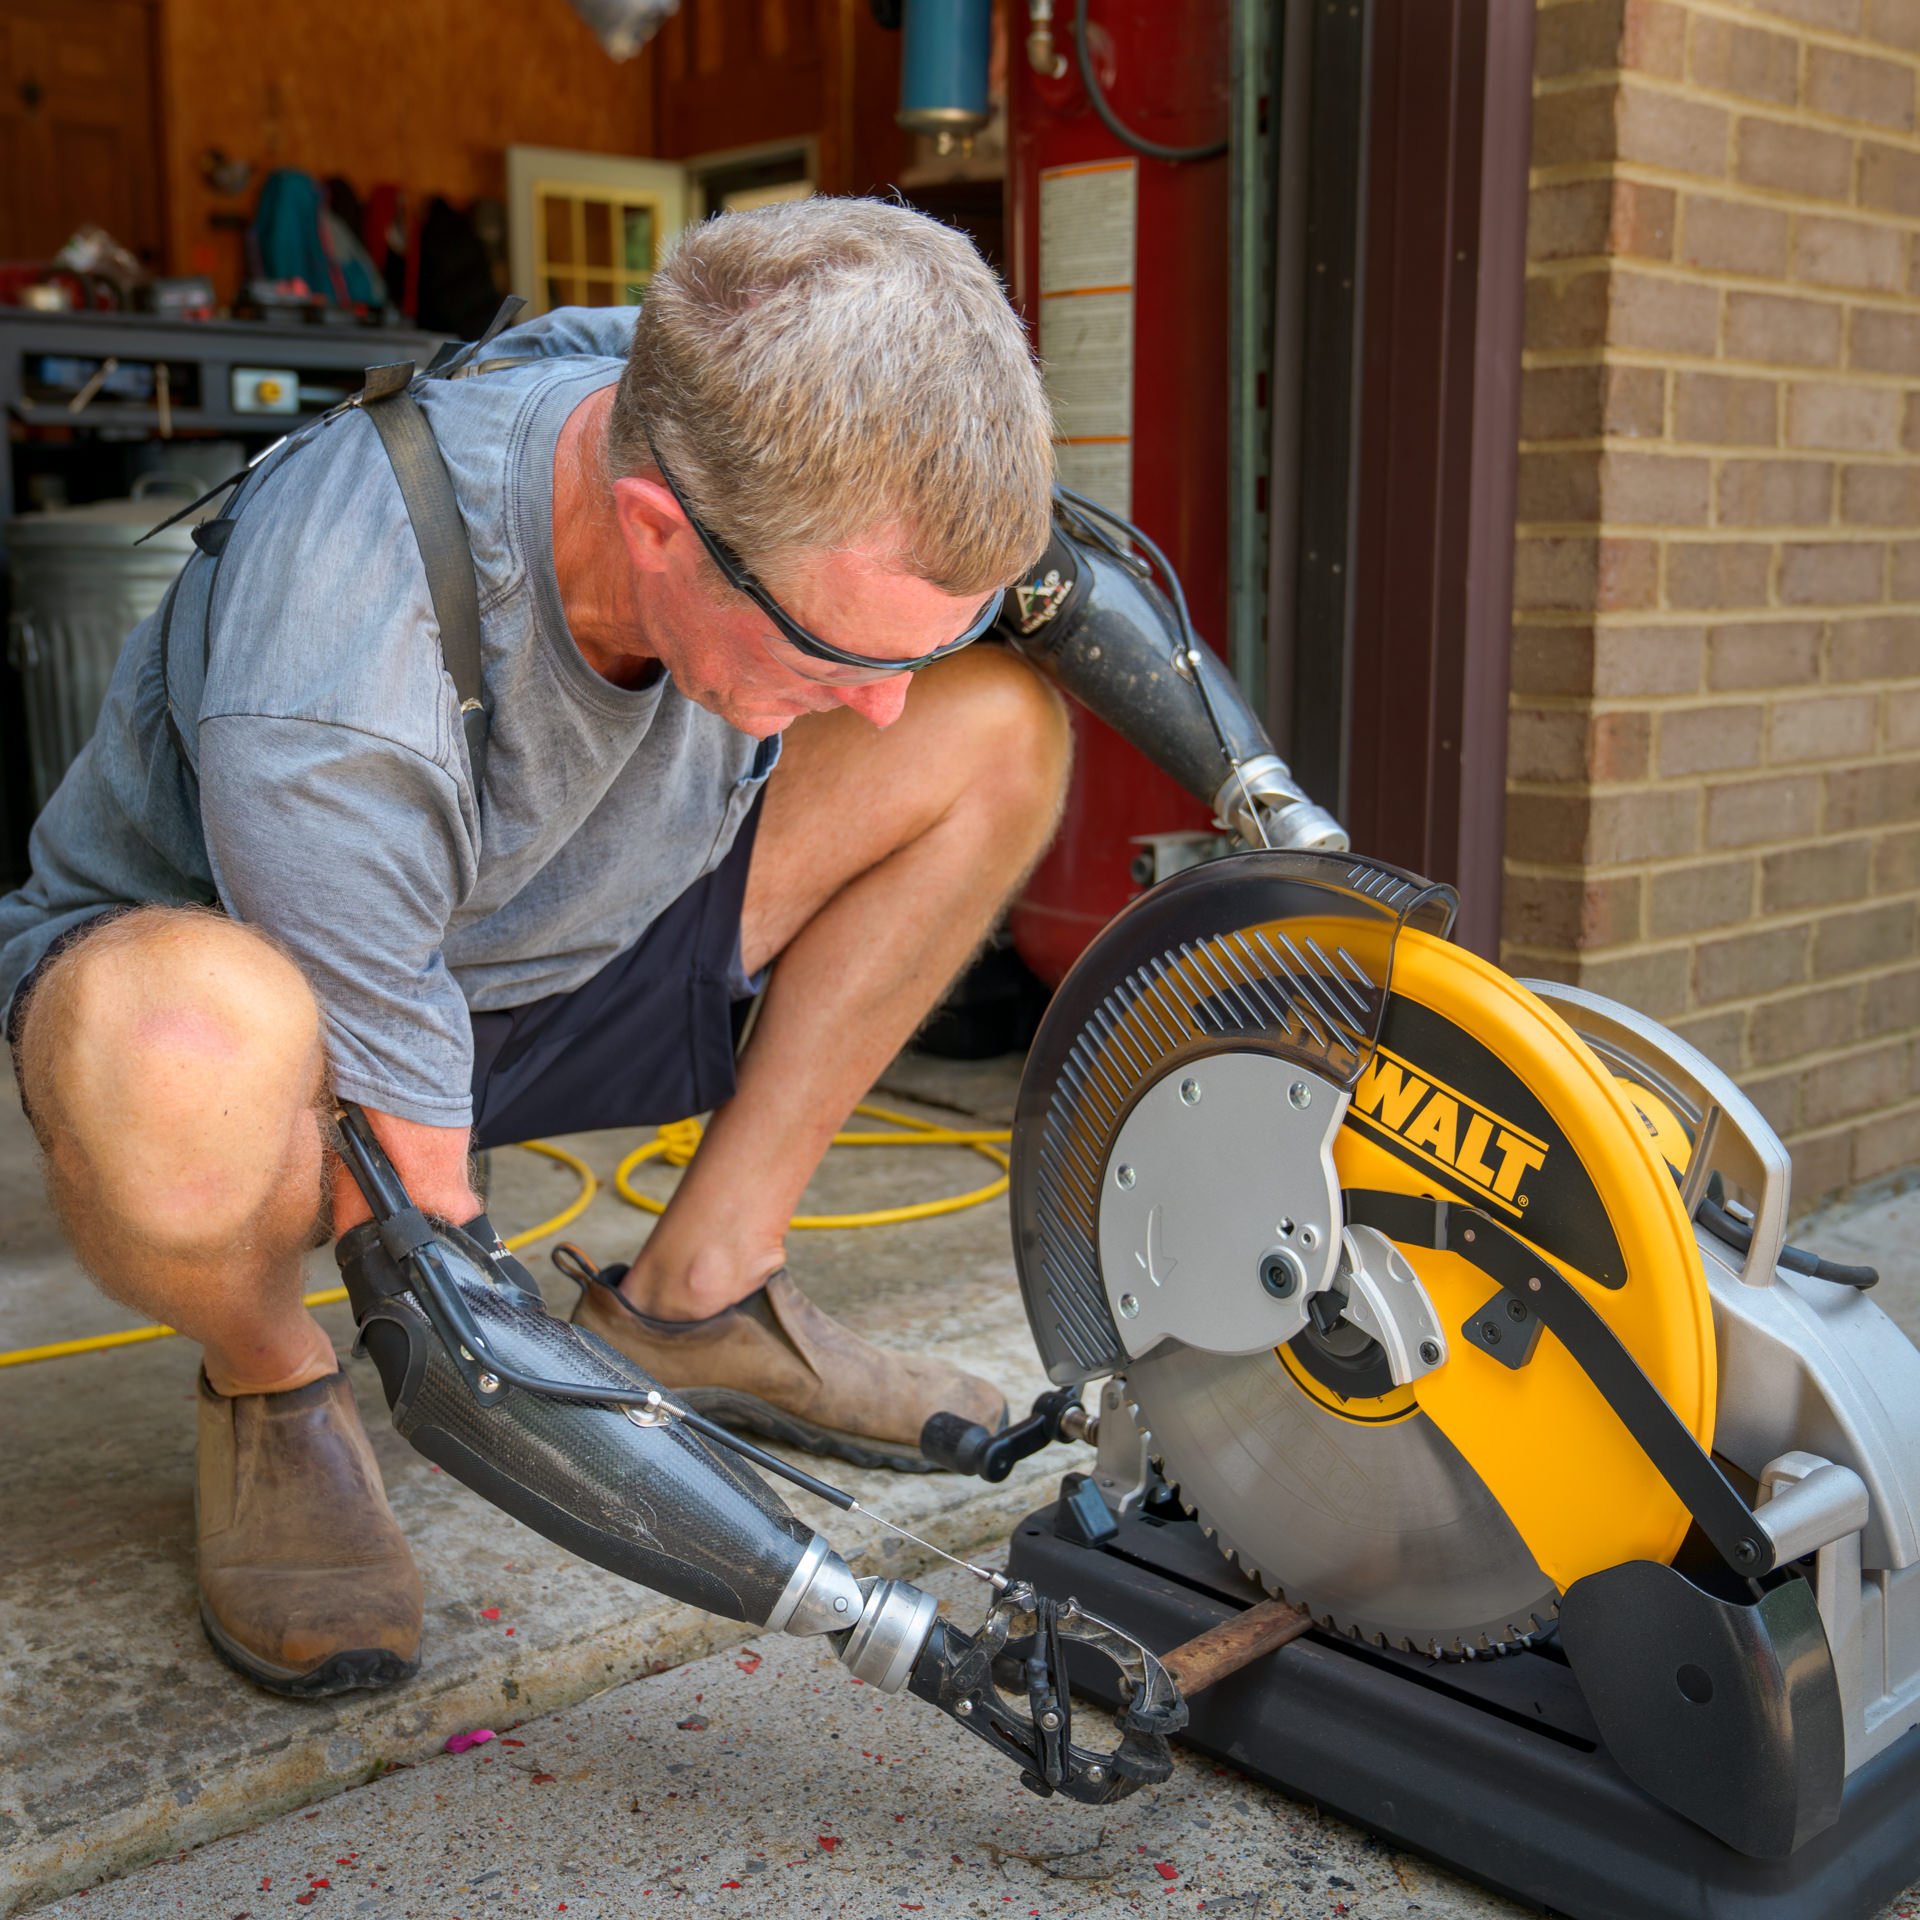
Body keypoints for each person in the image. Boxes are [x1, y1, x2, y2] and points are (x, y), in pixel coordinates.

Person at [0, 198, 1069, 1699]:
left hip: (545, 932)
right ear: (656, 528)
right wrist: (857, 1622)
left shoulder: (707, 389)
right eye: (841, 655)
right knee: (174, 1049)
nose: (876, 701)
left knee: (995, 740)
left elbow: (1045, 600)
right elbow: (463, 1330)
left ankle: (698, 1295)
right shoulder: (343, 665)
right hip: (286, 1026)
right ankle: (267, 1382)